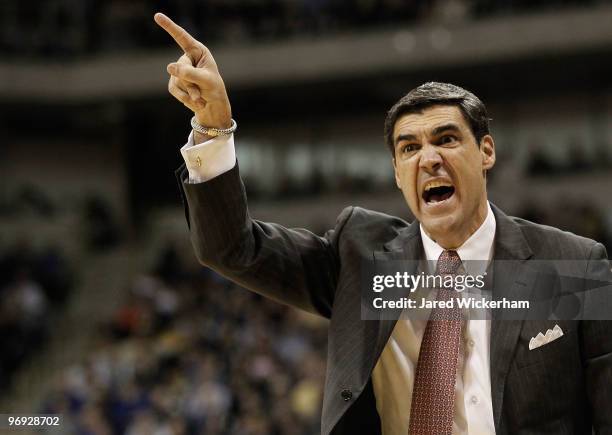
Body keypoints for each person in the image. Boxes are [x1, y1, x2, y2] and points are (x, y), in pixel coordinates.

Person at [153, 12, 612, 435]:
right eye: (409, 148)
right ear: (396, 172)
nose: (428, 158)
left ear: (486, 151)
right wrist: (213, 129)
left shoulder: (572, 265)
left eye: (446, 139)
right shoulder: (362, 258)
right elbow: (232, 248)